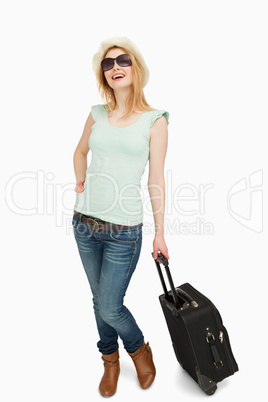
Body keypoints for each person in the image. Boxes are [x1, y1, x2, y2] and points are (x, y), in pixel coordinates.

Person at [72, 36, 170, 397]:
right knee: (99, 301)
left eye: (122, 61)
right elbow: (79, 152)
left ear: (136, 68)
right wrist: (80, 177)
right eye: (108, 64)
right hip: (84, 223)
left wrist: (160, 233)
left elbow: (156, 179)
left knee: (109, 305)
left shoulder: (154, 120)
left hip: (123, 232)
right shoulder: (97, 113)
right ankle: (109, 361)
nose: (115, 68)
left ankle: (139, 348)